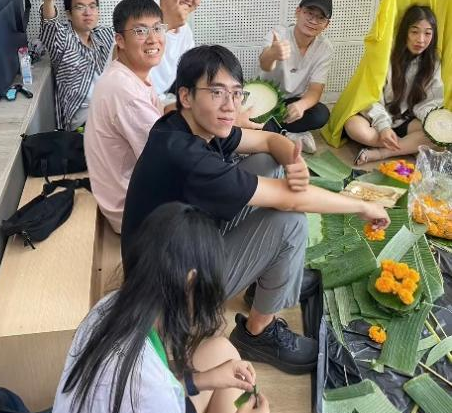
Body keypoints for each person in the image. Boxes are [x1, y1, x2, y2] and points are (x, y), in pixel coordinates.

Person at [122, 46, 390, 374]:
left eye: (236, 93)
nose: (229, 106)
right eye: (216, 92)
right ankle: (258, 333)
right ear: (186, 96)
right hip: (169, 293)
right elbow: (291, 200)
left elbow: (267, 142)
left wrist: (292, 161)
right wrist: (362, 205)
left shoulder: (185, 125)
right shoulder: (187, 156)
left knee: (266, 162)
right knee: (290, 222)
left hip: (182, 246)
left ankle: (265, 275)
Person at [44, 202, 272, 413]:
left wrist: (203, 380)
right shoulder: (153, 397)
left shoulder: (108, 306)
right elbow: (151, 398)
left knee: (222, 351)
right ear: (190, 282)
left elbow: (146, 393)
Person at [84, 0, 166, 233]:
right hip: (135, 212)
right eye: (140, 31)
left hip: (128, 198)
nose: (153, 39)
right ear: (119, 40)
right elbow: (168, 157)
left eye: (157, 28)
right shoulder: (124, 91)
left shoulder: (128, 73)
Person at [344, 5, 444, 165]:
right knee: (353, 126)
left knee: (438, 133)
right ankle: (408, 146)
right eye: (414, 32)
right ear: (405, 32)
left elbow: (430, 103)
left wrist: (431, 122)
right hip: (377, 118)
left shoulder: (433, 62)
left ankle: (381, 153)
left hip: (406, 120)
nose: (421, 40)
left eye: (427, 33)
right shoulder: (385, 56)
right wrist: (383, 127)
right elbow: (370, 97)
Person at [258, 0, 334, 154]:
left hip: (292, 102)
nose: (313, 21)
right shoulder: (278, 34)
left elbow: (315, 90)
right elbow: (264, 64)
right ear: (298, 12)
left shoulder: (325, 48)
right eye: (309, 13)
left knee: (321, 114)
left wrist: (301, 105)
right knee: (254, 121)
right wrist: (273, 53)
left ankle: (278, 132)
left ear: (327, 24)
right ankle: (288, 134)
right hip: (266, 98)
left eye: (320, 18)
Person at [40, 0, 113, 130]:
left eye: (92, 6)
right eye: (80, 7)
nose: (88, 12)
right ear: (68, 14)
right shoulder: (63, 39)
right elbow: (50, 24)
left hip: (111, 110)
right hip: (83, 120)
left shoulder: (105, 35)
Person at [151, 0, 211, 97]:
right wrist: (168, 24)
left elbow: (189, 74)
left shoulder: (185, 32)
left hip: (161, 100)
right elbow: (121, 62)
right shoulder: (140, 16)